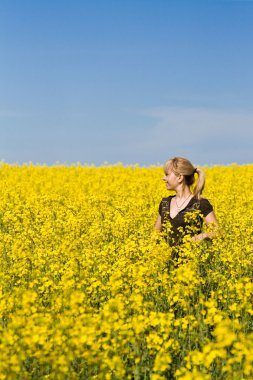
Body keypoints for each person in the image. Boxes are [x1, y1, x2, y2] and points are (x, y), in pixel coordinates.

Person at [154, 157, 219, 248]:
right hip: (166, 261)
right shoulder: (165, 203)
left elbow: (218, 233)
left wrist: (200, 237)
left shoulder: (200, 203)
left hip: (191, 260)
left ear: (180, 177)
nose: (163, 178)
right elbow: (155, 235)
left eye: (167, 174)